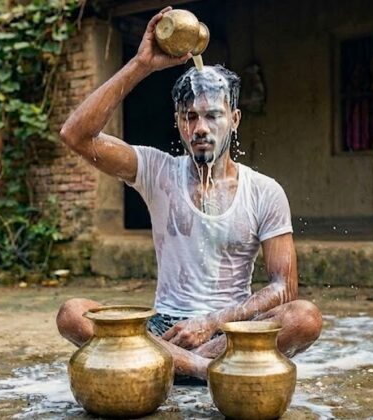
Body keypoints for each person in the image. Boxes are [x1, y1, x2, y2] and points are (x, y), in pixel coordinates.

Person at [55, 7, 322, 379]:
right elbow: (76, 135)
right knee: (73, 313)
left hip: (229, 329)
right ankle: (202, 369)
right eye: (190, 116)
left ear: (235, 119)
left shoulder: (264, 191)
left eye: (213, 115)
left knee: (305, 316)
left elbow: (283, 287)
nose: (200, 127)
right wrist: (141, 64)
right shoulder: (157, 170)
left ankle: (168, 362)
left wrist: (212, 322)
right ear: (178, 122)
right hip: (165, 327)